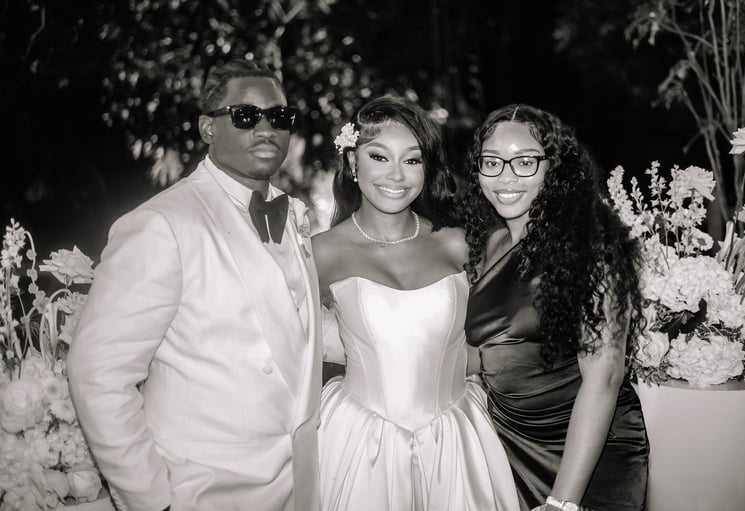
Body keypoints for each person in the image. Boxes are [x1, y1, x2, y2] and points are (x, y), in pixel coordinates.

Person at [67, 59, 322, 511]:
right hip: (202, 492)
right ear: (208, 128)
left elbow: (293, 338)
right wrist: (150, 500)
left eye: (279, 116)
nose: (267, 129)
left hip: (297, 489)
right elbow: (99, 375)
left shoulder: (294, 216)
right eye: (246, 115)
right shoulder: (161, 224)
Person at [312, 96, 520, 511]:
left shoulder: (459, 243)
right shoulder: (320, 252)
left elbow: (495, 337)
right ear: (353, 162)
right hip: (361, 447)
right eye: (379, 157)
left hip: (458, 442)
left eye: (412, 160)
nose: (396, 175)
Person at [458, 104, 648, 511]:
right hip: (509, 444)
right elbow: (482, 355)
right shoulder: (485, 245)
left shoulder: (592, 246)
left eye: (525, 162)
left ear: (554, 168)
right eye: (491, 162)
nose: (506, 177)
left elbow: (605, 378)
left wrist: (562, 502)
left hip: (587, 453)